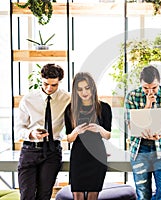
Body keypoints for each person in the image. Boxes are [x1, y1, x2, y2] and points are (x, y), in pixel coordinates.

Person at [16, 63, 70, 200]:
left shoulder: (67, 99)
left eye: (54, 85)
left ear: (59, 82)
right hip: (30, 150)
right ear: (41, 79)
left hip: (52, 151)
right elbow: (18, 129)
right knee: (26, 195)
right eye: (46, 84)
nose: (49, 88)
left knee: (44, 196)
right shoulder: (28, 99)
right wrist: (31, 134)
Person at [125, 65, 161, 200]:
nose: (150, 92)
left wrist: (159, 136)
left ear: (159, 82)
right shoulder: (132, 96)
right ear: (140, 84)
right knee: (143, 195)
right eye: (145, 88)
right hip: (140, 150)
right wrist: (148, 104)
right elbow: (132, 126)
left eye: (154, 88)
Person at [64, 72, 112, 200]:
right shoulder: (70, 109)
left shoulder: (104, 108)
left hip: (97, 156)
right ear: (75, 91)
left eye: (87, 88)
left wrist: (99, 129)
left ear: (92, 88)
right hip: (78, 156)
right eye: (79, 89)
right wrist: (76, 132)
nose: (84, 92)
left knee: (93, 195)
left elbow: (108, 135)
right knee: (77, 195)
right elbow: (69, 138)